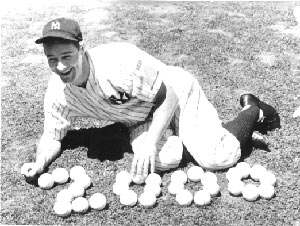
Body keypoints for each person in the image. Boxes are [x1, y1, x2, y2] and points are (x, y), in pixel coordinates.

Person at [21, 18, 280, 182]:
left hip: (174, 93)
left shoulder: (117, 65)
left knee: (216, 158)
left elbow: (168, 96)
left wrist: (151, 141)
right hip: (138, 116)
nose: (60, 66)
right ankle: (194, 133)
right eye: (52, 59)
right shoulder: (58, 91)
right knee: (158, 161)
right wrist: (40, 163)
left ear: (82, 49)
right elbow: (52, 136)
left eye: (66, 56)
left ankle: (253, 109)